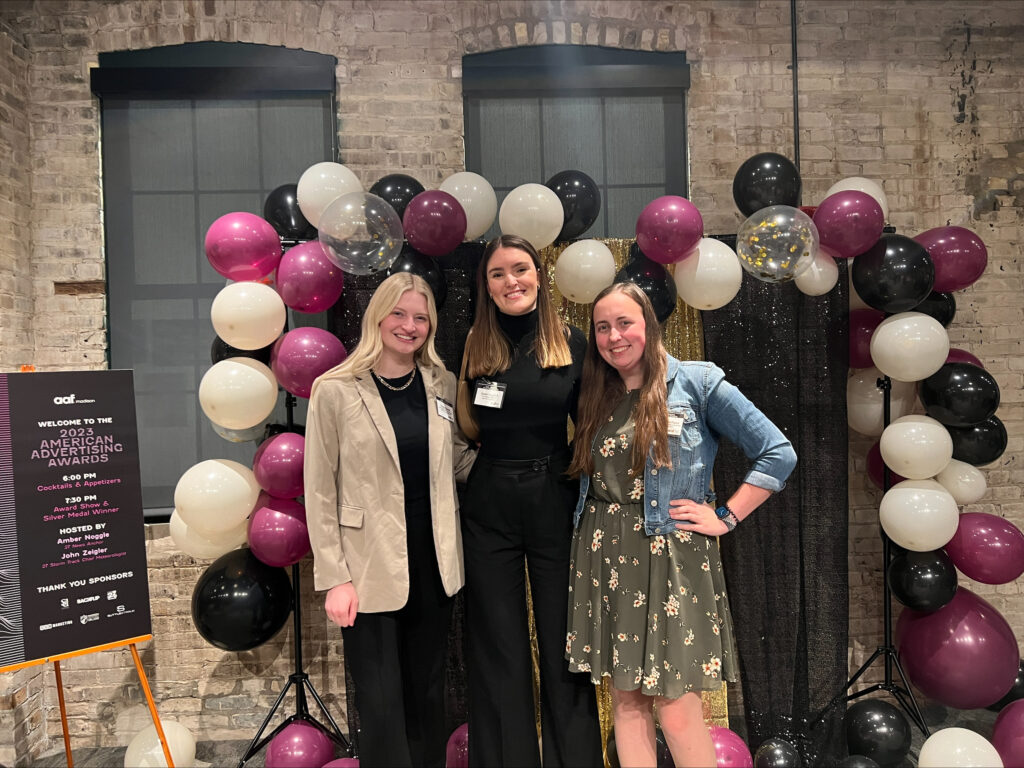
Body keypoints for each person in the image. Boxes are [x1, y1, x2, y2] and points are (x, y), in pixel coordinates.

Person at [565, 282, 797, 767]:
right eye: (602, 327)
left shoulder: (697, 382)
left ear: (648, 324)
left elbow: (778, 453)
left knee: (676, 707)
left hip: (671, 557)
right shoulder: (594, 393)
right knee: (627, 702)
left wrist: (726, 516)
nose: (613, 337)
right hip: (606, 555)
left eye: (624, 323)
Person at [304, 272, 476, 768]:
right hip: (366, 568)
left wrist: (521, 463)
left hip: (434, 564)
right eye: (399, 314)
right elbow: (319, 489)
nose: (409, 325)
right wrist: (335, 578)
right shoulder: (334, 390)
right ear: (377, 317)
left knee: (428, 695)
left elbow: (457, 461)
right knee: (379, 703)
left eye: (421, 317)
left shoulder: (442, 384)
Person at [459, 234, 603, 767]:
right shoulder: (474, 343)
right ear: (486, 285)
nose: (510, 281)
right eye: (497, 273)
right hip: (488, 503)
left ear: (540, 276)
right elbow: (463, 423)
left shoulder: (572, 342)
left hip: (553, 498)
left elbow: (592, 426)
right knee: (499, 646)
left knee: (566, 642)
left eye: (520, 269)